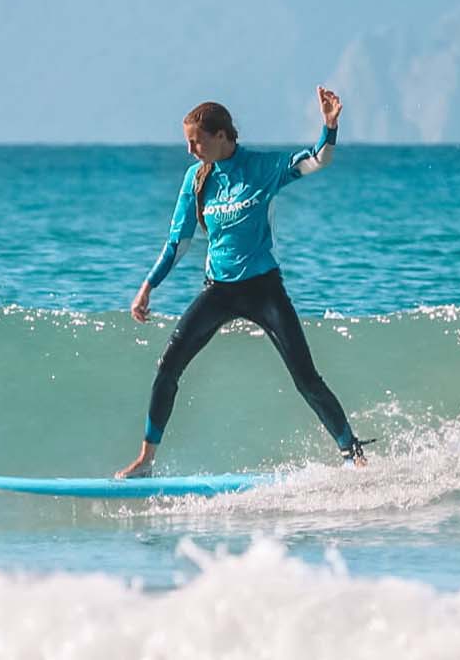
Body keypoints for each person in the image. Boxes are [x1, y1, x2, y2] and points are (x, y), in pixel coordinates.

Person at [115, 86, 373, 479]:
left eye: (195, 141)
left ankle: (352, 454)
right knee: (168, 366)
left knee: (306, 378)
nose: (189, 150)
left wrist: (329, 125)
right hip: (218, 290)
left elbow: (318, 160)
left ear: (221, 136)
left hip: (263, 288)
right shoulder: (197, 180)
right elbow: (178, 242)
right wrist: (148, 286)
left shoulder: (263, 168)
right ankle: (146, 461)